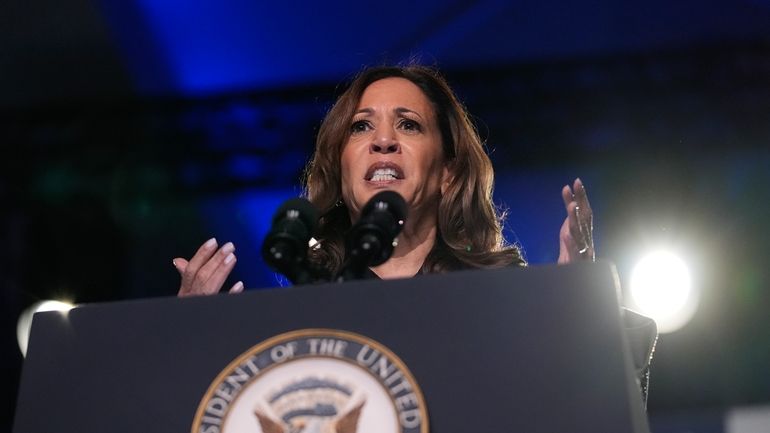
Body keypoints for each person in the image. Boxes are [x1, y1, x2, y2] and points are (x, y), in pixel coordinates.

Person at [171, 64, 655, 402]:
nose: (383, 140)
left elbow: (586, 413)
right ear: (341, 174)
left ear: (447, 172)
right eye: (361, 128)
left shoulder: (506, 302)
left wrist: (581, 316)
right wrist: (186, 347)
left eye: (408, 124)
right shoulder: (297, 315)